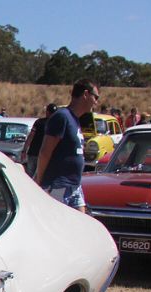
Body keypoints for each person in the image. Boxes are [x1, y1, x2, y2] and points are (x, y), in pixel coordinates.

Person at [35, 79, 100, 212]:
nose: (96, 102)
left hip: (75, 187)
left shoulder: (75, 119)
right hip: (58, 186)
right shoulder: (61, 117)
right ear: (86, 94)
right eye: (96, 97)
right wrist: (39, 181)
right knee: (58, 225)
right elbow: (45, 152)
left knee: (81, 225)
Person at [21, 103, 57, 179]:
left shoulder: (39, 122)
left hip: (33, 152)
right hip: (44, 154)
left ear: (47, 112)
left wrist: (24, 150)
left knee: (30, 176)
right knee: (41, 176)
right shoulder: (55, 124)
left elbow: (31, 136)